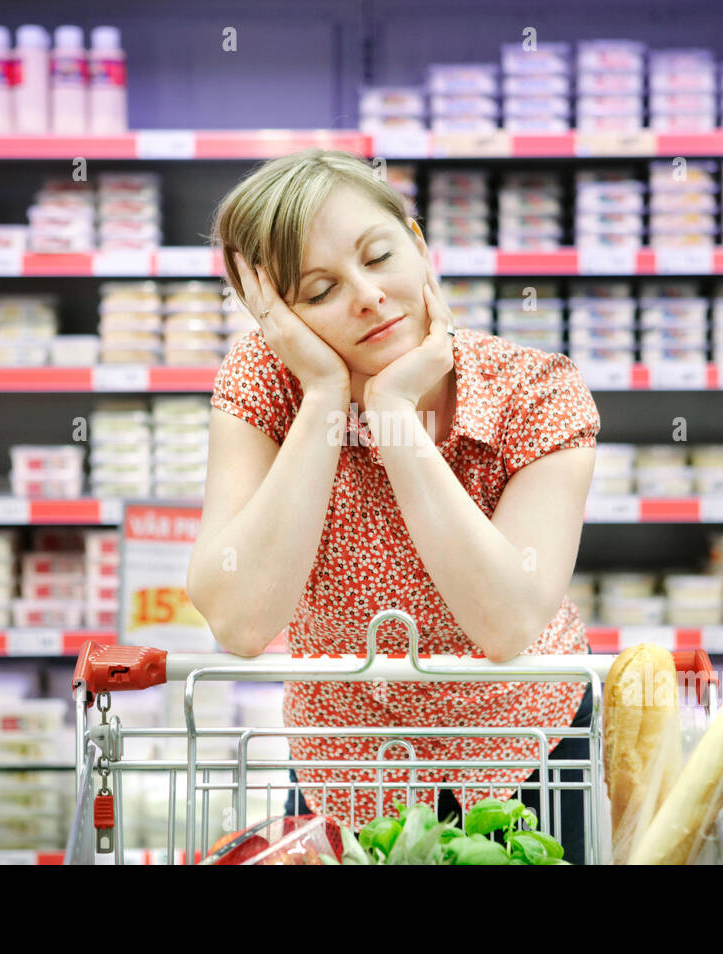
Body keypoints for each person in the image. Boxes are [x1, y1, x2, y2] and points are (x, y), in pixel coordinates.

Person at [185, 148, 601, 862]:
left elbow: (506, 624)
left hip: (528, 756)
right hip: (344, 772)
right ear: (273, 317)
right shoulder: (269, 385)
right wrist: (321, 398)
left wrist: (394, 414)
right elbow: (241, 619)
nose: (368, 296)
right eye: (318, 291)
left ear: (418, 243)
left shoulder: (537, 392)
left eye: (379, 256)